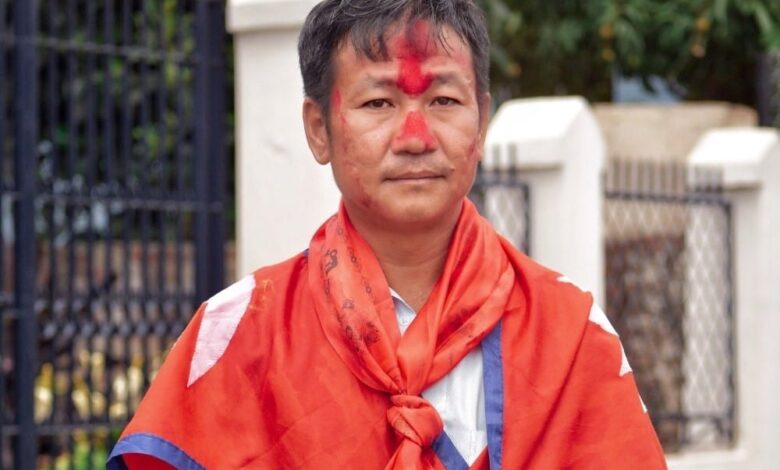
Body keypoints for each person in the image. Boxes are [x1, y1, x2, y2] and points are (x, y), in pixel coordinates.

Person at [107, 0, 667, 468]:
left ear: (481, 122)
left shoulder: (569, 331)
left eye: (444, 101)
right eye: (379, 102)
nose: (416, 137)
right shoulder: (241, 333)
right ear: (318, 129)